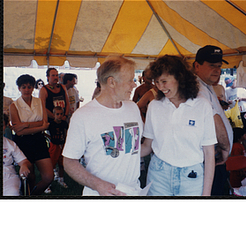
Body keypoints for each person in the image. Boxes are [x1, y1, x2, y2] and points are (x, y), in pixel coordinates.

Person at [62, 55, 144, 196]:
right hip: (99, 194)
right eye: (130, 80)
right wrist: (98, 185)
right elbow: (69, 161)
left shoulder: (133, 108)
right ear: (111, 82)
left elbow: (131, 149)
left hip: (133, 191)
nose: (134, 85)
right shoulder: (83, 116)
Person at [141, 55, 216, 196]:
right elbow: (146, 146)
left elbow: (209, 153)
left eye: (164, 81)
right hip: (159, 175)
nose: (159, 87)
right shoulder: (154, 106)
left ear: (180, 78)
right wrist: (120, 155)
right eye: (156, 82)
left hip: (192, 177)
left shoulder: (202, 105)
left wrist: (206, 194)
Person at [193, 45, 232, 195]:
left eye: (219, 66)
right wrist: (225, 146)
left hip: (214, 157)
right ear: (197, 66)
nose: (217, 70)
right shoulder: (198, 88)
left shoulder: (206, 85)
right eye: (211, 66)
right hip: (212, 158)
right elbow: (213, 118)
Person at [9, 74, 53, 195]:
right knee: (30, 176)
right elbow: (18, 131)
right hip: (23, 142)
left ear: (33, 88)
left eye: (29, 87)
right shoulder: (14, 105)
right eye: (24, 87)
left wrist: (24, 125)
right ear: (19, 88)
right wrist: (39, 126)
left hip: (39, 140)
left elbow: (45, 123)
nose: (27, 90)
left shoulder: (39, 102)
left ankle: (31, 194)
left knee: (49, 177)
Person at [3, 114, 31, 196]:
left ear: (5, 127)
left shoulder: (10, 144)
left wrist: (24, 166)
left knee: (13, 192)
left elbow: (24, 161)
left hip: (8, 177)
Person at [45, 106, 69, 193]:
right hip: (54, 146)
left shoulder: (64, 123)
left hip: (62, 145)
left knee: (62, 164)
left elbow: (67, 132)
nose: (59, 116)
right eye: (57, 114)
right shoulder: (51, 124)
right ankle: (47, 184)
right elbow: (43, 131)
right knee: (51, 165)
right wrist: (50, 138)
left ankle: (61, 179)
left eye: (61, 114)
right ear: (54, 114)